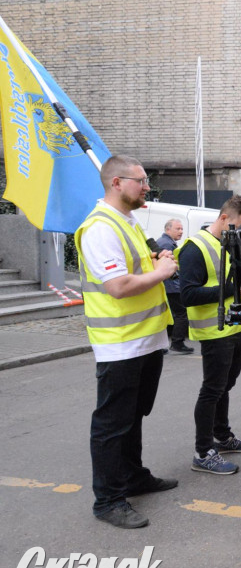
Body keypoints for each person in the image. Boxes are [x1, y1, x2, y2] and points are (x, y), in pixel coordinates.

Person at [74, 155, 179, 529]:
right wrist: (164, 271)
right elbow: (117, 286)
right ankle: (108, 500)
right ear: (117, 183)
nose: (147, 187)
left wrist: (156, 259)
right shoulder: (101, 227)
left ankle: (134, 477)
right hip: (120, 343)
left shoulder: (128, 220)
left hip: (145, 339)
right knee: (112, 423)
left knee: (133, 416)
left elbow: (135, 265)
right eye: (141, 181)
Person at [178, 195, 241, 476]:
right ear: (224, 217)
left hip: (236, 329)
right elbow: (187, 295)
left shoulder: (230, 243)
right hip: (214, 333)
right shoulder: (194, 248)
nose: (239, 232)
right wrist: (226, 290)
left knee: (225, 387)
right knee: (212, 390)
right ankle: (203, 452)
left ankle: (222, 437)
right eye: (237, 225)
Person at [157, 218, 193, 354]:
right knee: (181, 314)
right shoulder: (167, 244)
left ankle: (161, 346)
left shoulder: (164, 242)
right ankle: (177, 343)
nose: (181, 231)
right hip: (172, 286)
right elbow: (171, 268)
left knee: (167, 315)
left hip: (167, 285)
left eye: (182, 229)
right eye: (178, 229)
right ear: (168, 229)